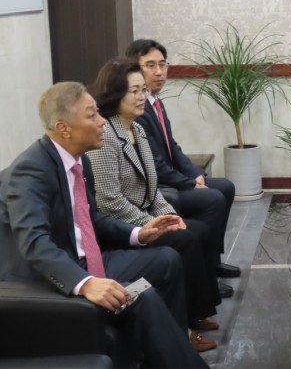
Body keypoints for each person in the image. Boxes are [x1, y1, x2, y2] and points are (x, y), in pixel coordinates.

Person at [0, 82, 207, 368]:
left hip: (82, 259)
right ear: (64, 128)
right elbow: (34, 243)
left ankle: (167, 353)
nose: (103, 121)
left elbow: (91, 218)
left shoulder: (79, 161)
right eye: (92, 115)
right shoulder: (31, 171)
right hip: (40, 283)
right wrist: (86, 283)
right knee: (142, 294)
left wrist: (138, 233)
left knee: (167, 260)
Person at [86, 58, 221, 352]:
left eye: (143, 90)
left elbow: (153, 187)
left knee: (196, 230)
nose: (141, 97)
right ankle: (183, 328)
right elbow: (109, 201)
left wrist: (169, 216)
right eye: (133, 91)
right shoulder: (105, 136)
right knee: (185, 240)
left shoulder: (137, 129)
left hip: (144, 215)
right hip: (121, 226)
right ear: (114, 93)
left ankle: (196, 313)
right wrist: (150, 224)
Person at [125, 39, 239, 294]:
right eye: (150, 65)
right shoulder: (137, 109)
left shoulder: (155, 102)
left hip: (172, 178)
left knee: (226, 187)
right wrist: (188, 183)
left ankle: (212, 261)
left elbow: (172, 148)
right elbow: (154, 165)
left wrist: (195, 174)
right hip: (159, 185)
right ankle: (205, 274)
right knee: (212, 198)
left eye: (162, 65)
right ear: (133, 69)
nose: (159, 72)